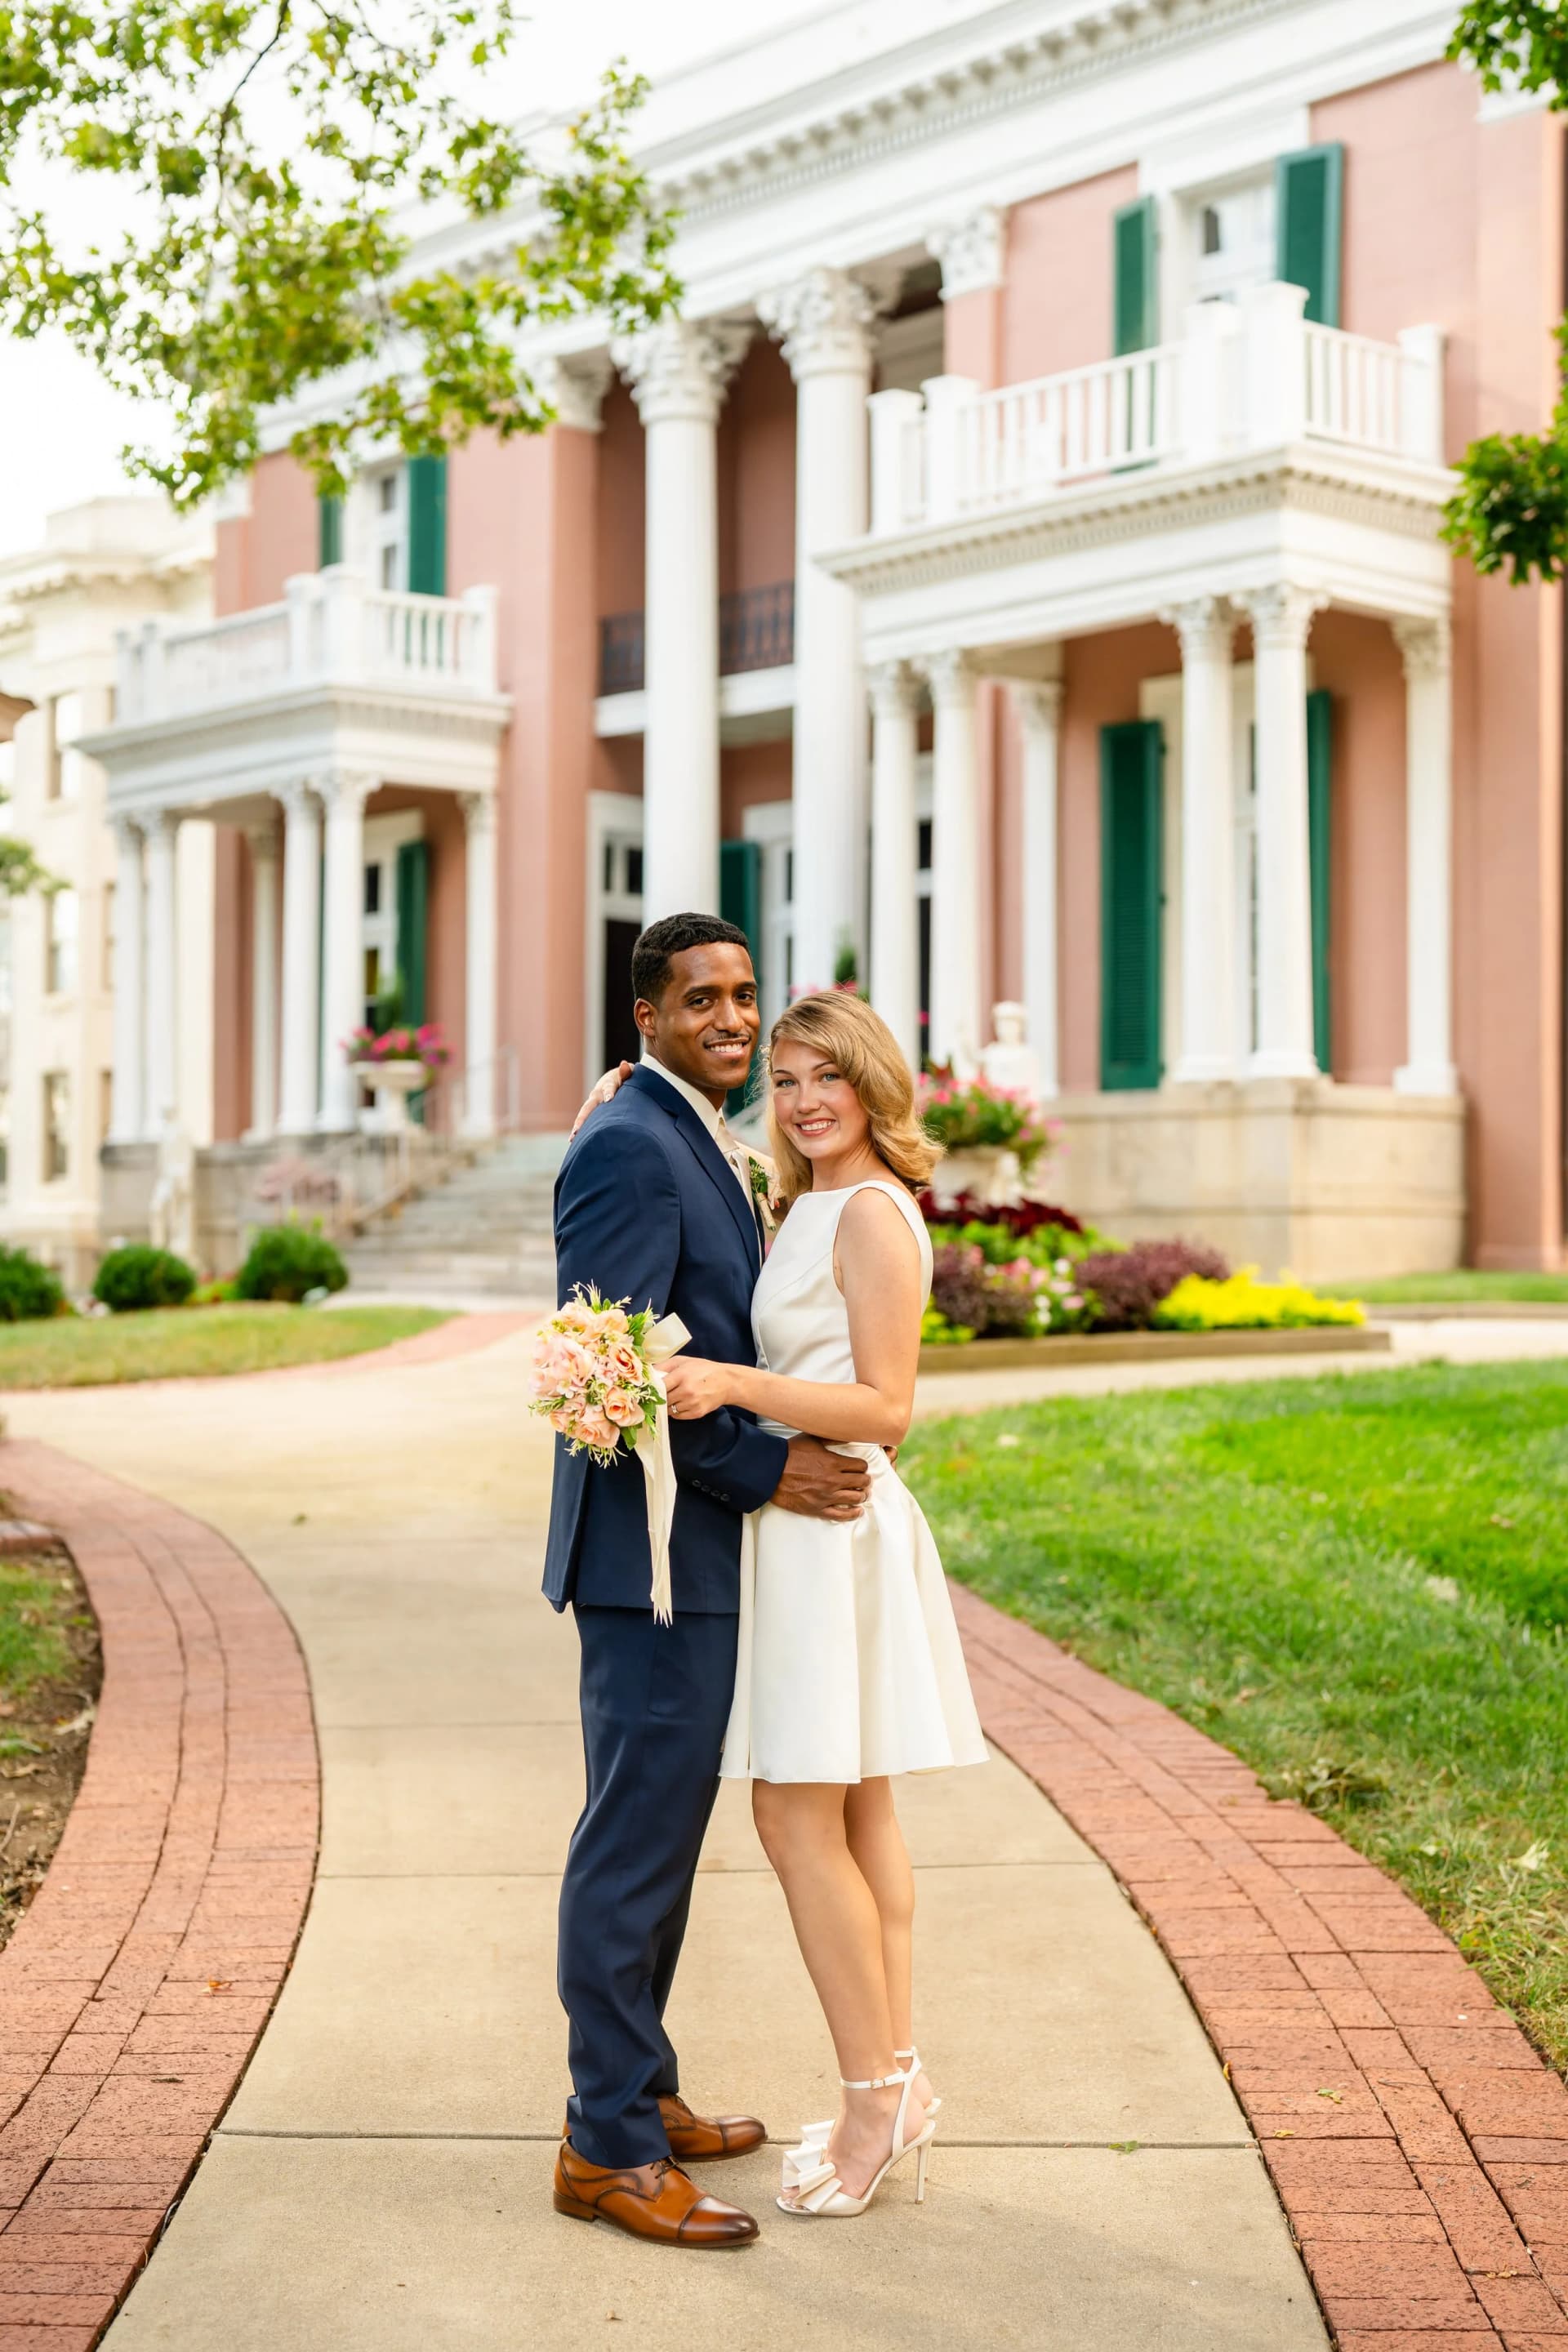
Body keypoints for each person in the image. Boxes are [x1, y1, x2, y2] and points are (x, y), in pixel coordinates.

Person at [575, 982, 987, 2223]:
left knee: (799, 1820)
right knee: (860, 1819)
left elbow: (888, 1406)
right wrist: (616, 1099)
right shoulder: (797, 1199)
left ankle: (871, 2093)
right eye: (788, 1080)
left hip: (833, 1531)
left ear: (874, 1084)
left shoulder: (869, 1214)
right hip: (804, 1535)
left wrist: (720, 1380)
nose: (806, 1101)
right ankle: (899, 2081)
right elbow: (691, 1172)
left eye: (829, 1078)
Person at [545, 913, 872, 2249]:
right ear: (648, 1018)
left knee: (662, 1847)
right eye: (701, 1001)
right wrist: (767, 1469)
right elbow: (610, 1363)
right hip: (655, 1562)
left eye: (744, 995)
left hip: (699, 1556)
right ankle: (603, 2148)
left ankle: (642, 2085)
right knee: (633, 1849)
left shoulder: (691, 1130)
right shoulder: (633, 1140)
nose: (733, 1020)